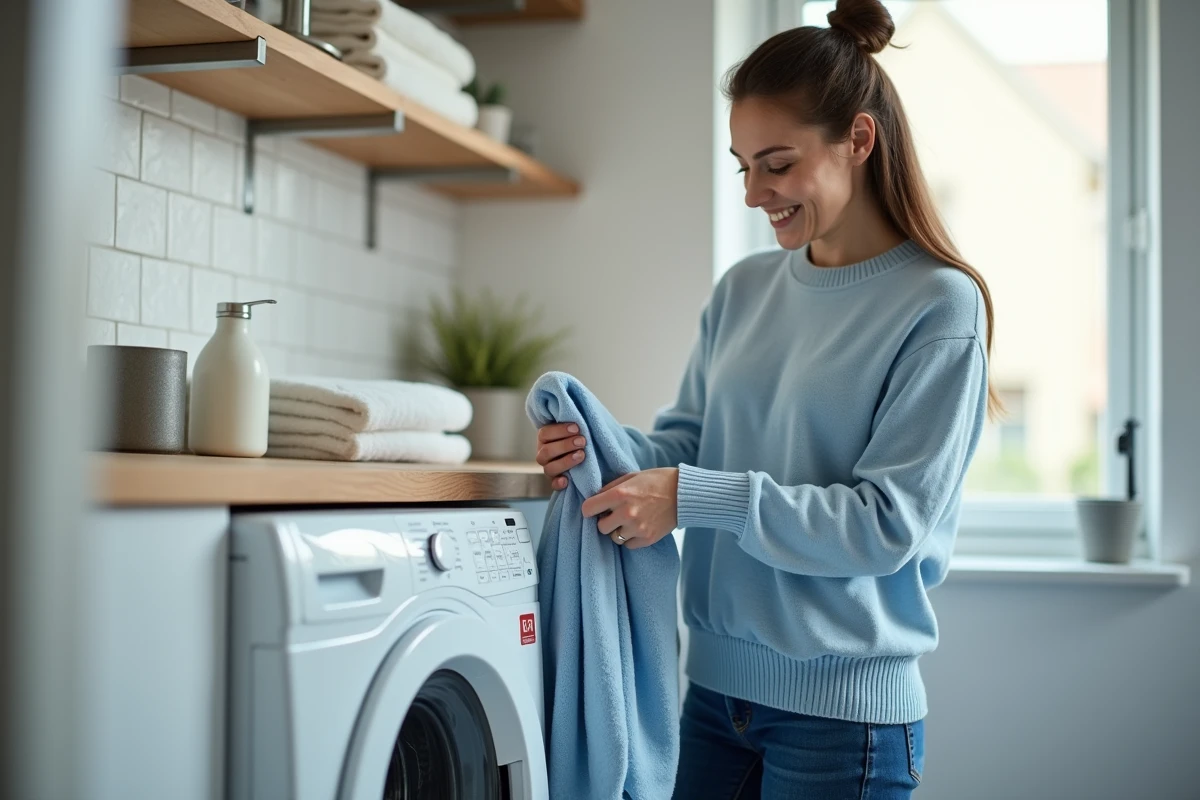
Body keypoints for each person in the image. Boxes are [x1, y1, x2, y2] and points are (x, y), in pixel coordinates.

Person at [536, 0, 995, 796]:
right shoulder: (744, 289)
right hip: (712, 698)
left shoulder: (939, 305)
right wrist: (598, 446)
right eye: (743, 166)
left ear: (858, 139)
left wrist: (688, 496)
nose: (755, 193)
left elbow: (886, 526)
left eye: (777, 165)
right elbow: (688, 445)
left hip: (845, 723)